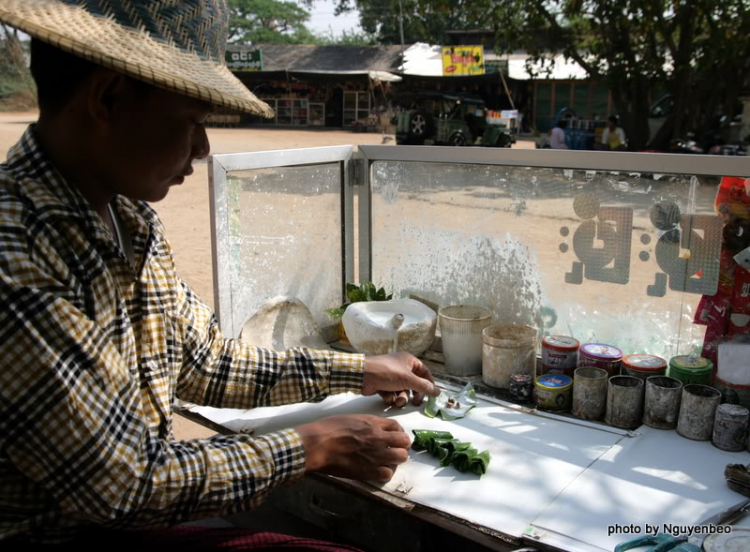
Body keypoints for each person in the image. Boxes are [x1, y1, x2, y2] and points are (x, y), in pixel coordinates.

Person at [0, 0, 439, 547]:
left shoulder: (130, 220)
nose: (204, 148)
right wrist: (314, 444)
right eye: (191, 121)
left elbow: (204, 363)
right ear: (109, 99)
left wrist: (360, 370)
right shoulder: (15, 254)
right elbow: (123, 486)